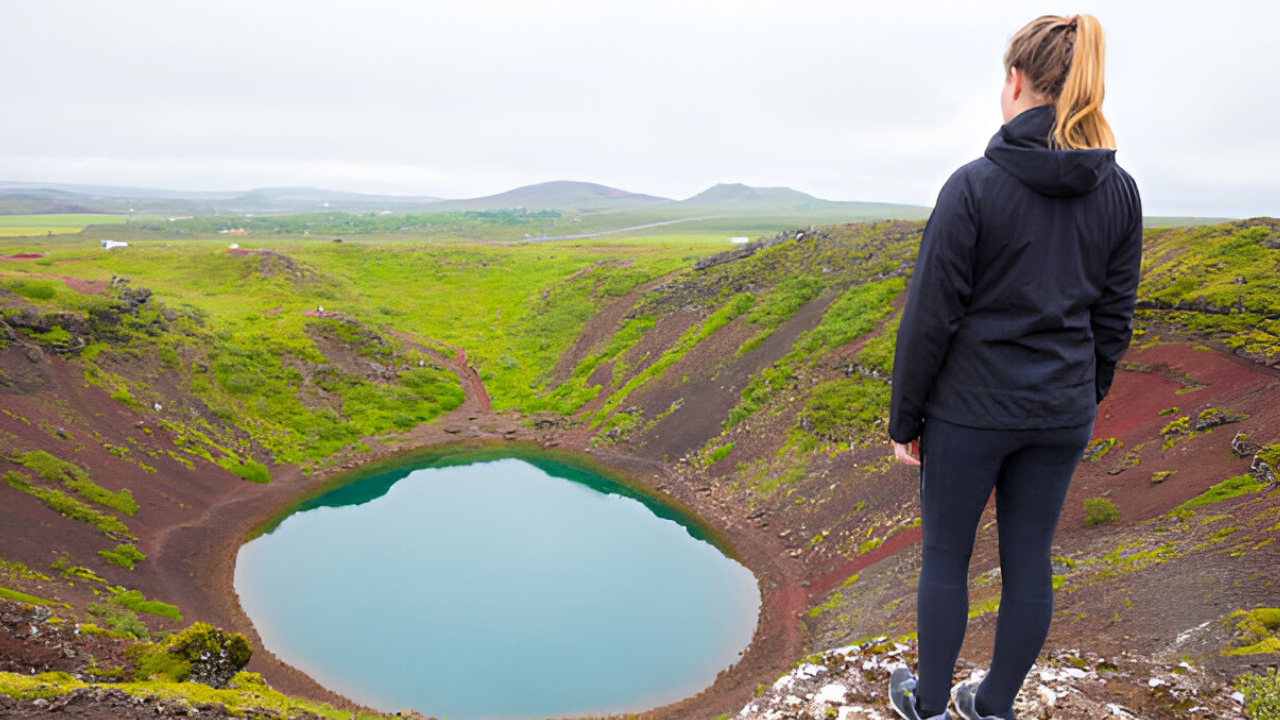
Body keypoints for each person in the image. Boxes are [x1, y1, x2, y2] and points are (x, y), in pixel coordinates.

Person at [884, 13, 1143, 720]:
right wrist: (1080, 395)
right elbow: (1114, 318)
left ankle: (929, 705)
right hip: (1060, 413)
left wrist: (906, 419)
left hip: (970, 412)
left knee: (946, 557)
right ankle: (993, 706)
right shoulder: (1120, 190)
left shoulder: (974, 186)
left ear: (1016, 79)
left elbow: (930, 317)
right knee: (1029, 559)